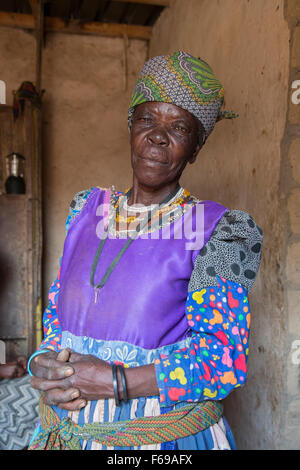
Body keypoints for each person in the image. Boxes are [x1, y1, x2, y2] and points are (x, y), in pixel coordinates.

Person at [27, 51, 263, 450]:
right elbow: (57, 317)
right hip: (65, 435)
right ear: (130, 126)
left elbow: (224, 361)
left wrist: (117, 383)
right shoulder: (84, 210)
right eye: (147, 119)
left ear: (196, 147)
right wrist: (43, 362)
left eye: (179, 128)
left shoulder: (218, 231)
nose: (158, 136)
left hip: (157, 440)